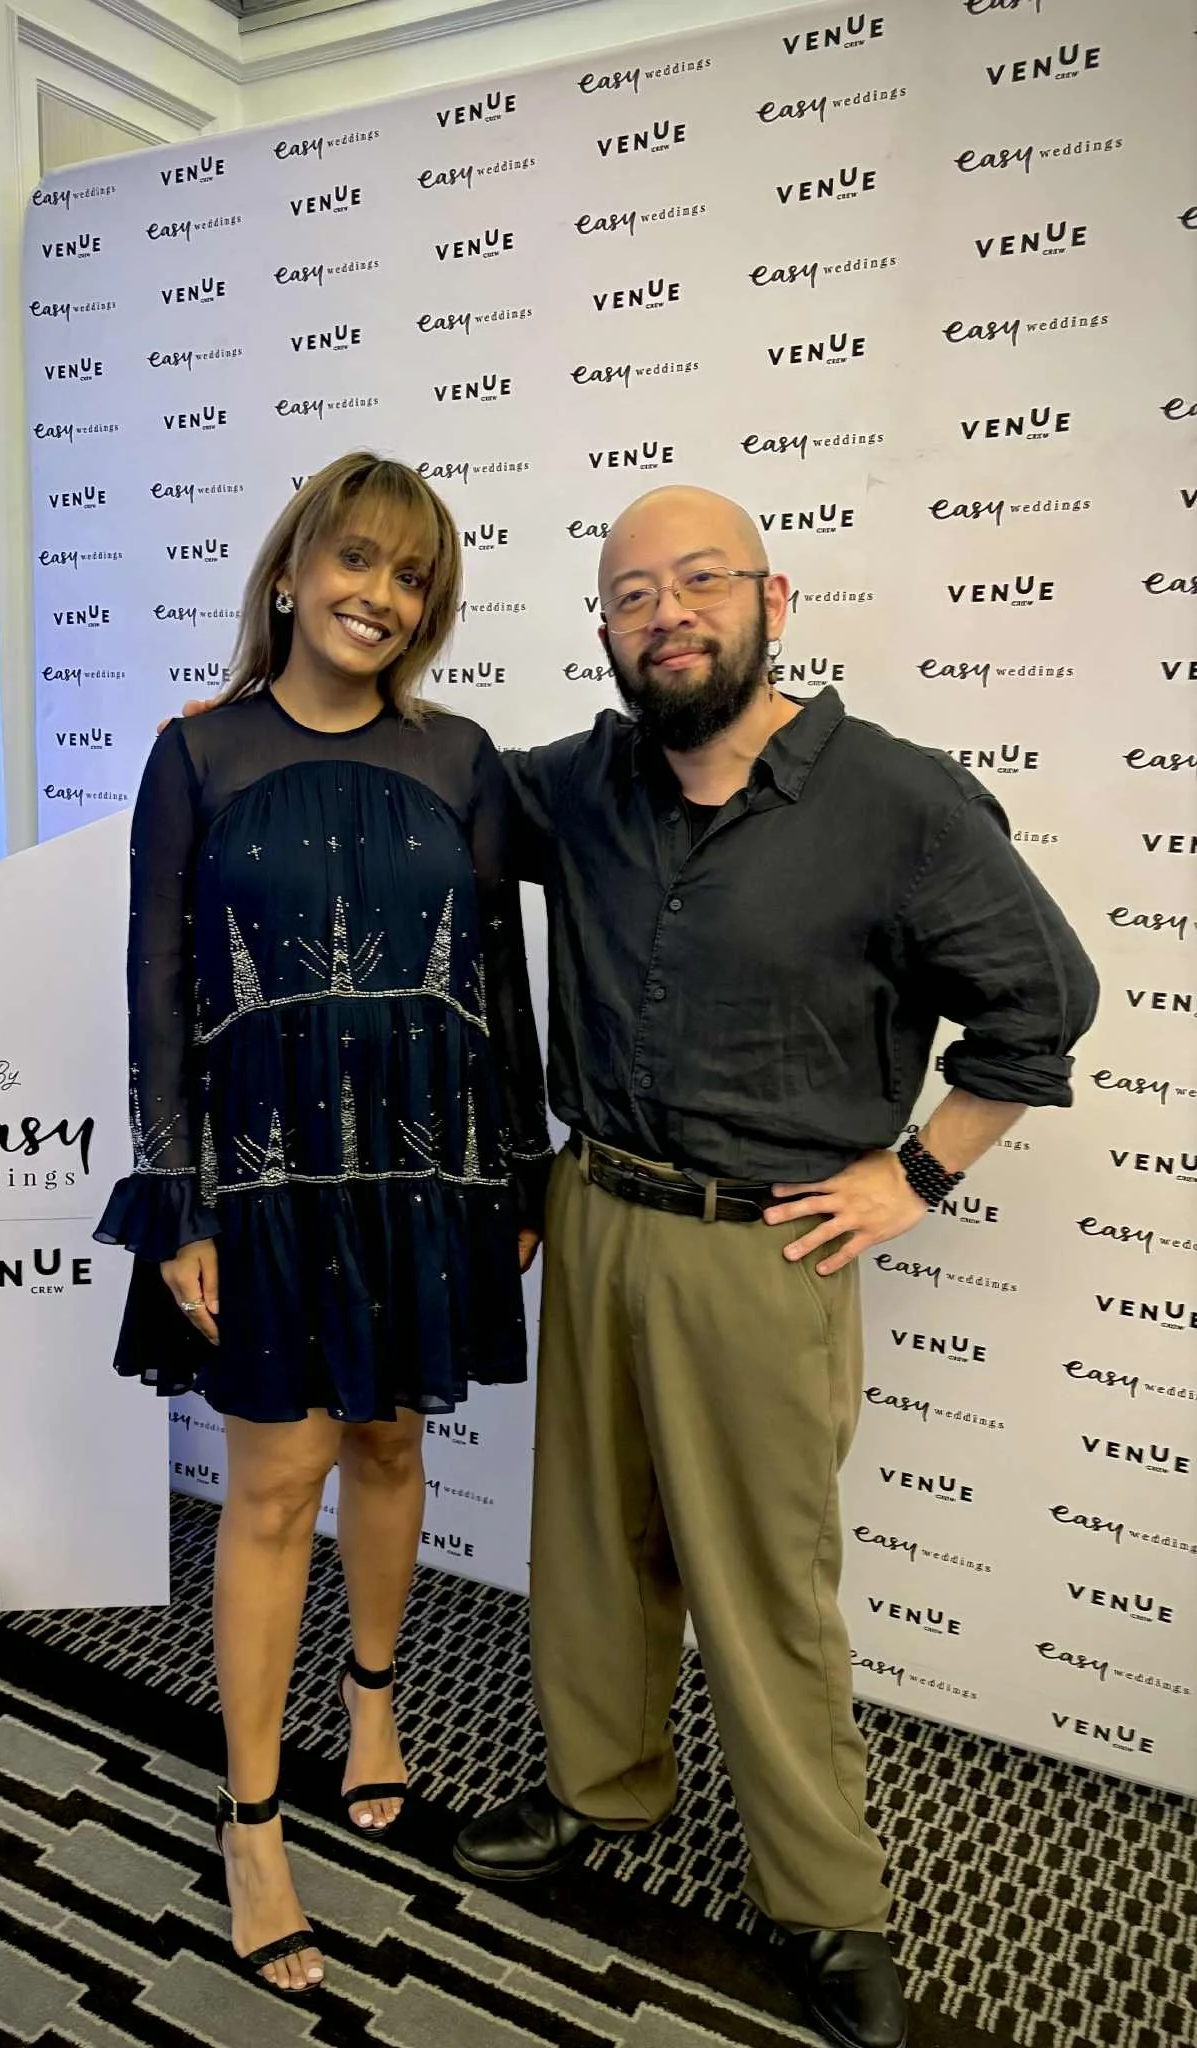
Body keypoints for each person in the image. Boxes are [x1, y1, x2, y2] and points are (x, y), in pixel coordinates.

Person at [443, 485, 1099, 2048]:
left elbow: (1042, 1003)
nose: (664, 614)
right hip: (593, 1208)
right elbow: (419, 784)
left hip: (764, 1251)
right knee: (593, 1543)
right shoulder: (577, 785)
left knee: (765, 1592)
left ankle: (823, 1901)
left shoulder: (900, 803)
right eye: (628, 596)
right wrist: (274, 717)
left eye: (699, 582)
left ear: (773, 598)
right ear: (602, 632)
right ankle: (605, 1788)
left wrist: (922, 1168)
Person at [97, 452, 551, 1996]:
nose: (380, 595)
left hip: (427, 1173)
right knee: (274, 1483)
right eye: (355, 561)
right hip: (259, 1179)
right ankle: (250, 1818)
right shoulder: (197, 755)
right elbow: (157, 994)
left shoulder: (465, 759)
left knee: (391, 1446)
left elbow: (500, 984)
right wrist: (177, 1203)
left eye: (411, 577)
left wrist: (525, 1171)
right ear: (290, 573)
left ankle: (371, 1701)